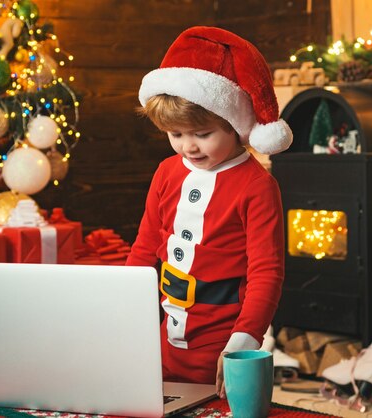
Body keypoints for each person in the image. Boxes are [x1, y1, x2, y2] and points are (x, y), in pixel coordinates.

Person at [125, 26, 292, 398]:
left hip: (221, 347)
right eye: (176, 134)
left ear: (234, 124)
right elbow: (145, 246)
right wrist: (126, 311)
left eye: (201, 133)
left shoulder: (257, 186)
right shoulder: (167, 171)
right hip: (163, 342)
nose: (188, 147)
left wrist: (243, 341)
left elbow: (266, 273)